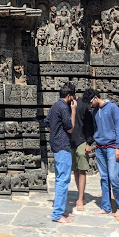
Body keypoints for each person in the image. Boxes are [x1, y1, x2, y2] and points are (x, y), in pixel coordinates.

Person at [84, 88, 119, 217]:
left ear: (96, 98)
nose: (90, 106)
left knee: (113, 178)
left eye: (90, 102)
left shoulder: (112, 108)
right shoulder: (95, 111)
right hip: (100, 148)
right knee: (104, 178)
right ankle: (106, 206)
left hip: (112, 147)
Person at [45, 82, 77, 223]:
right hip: (63, 145)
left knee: (60, 178)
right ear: (69, 96)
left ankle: (61, 208)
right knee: (63, 180)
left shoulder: (54, 106)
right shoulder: (64, 107)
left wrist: (55, 134)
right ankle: (57, 214)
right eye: (73, 96)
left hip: (56, 145)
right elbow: (70, 128)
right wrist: (74, 110)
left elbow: (47, 124)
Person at [70, 90, 95, 210]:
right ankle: (81, 196)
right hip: (71, 142)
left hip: (82, 140)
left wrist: (89, 142)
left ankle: (80, 199)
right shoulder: (66, 104)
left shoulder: (84, 104)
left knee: (82, 170)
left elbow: (90, 124)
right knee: (75, 170)